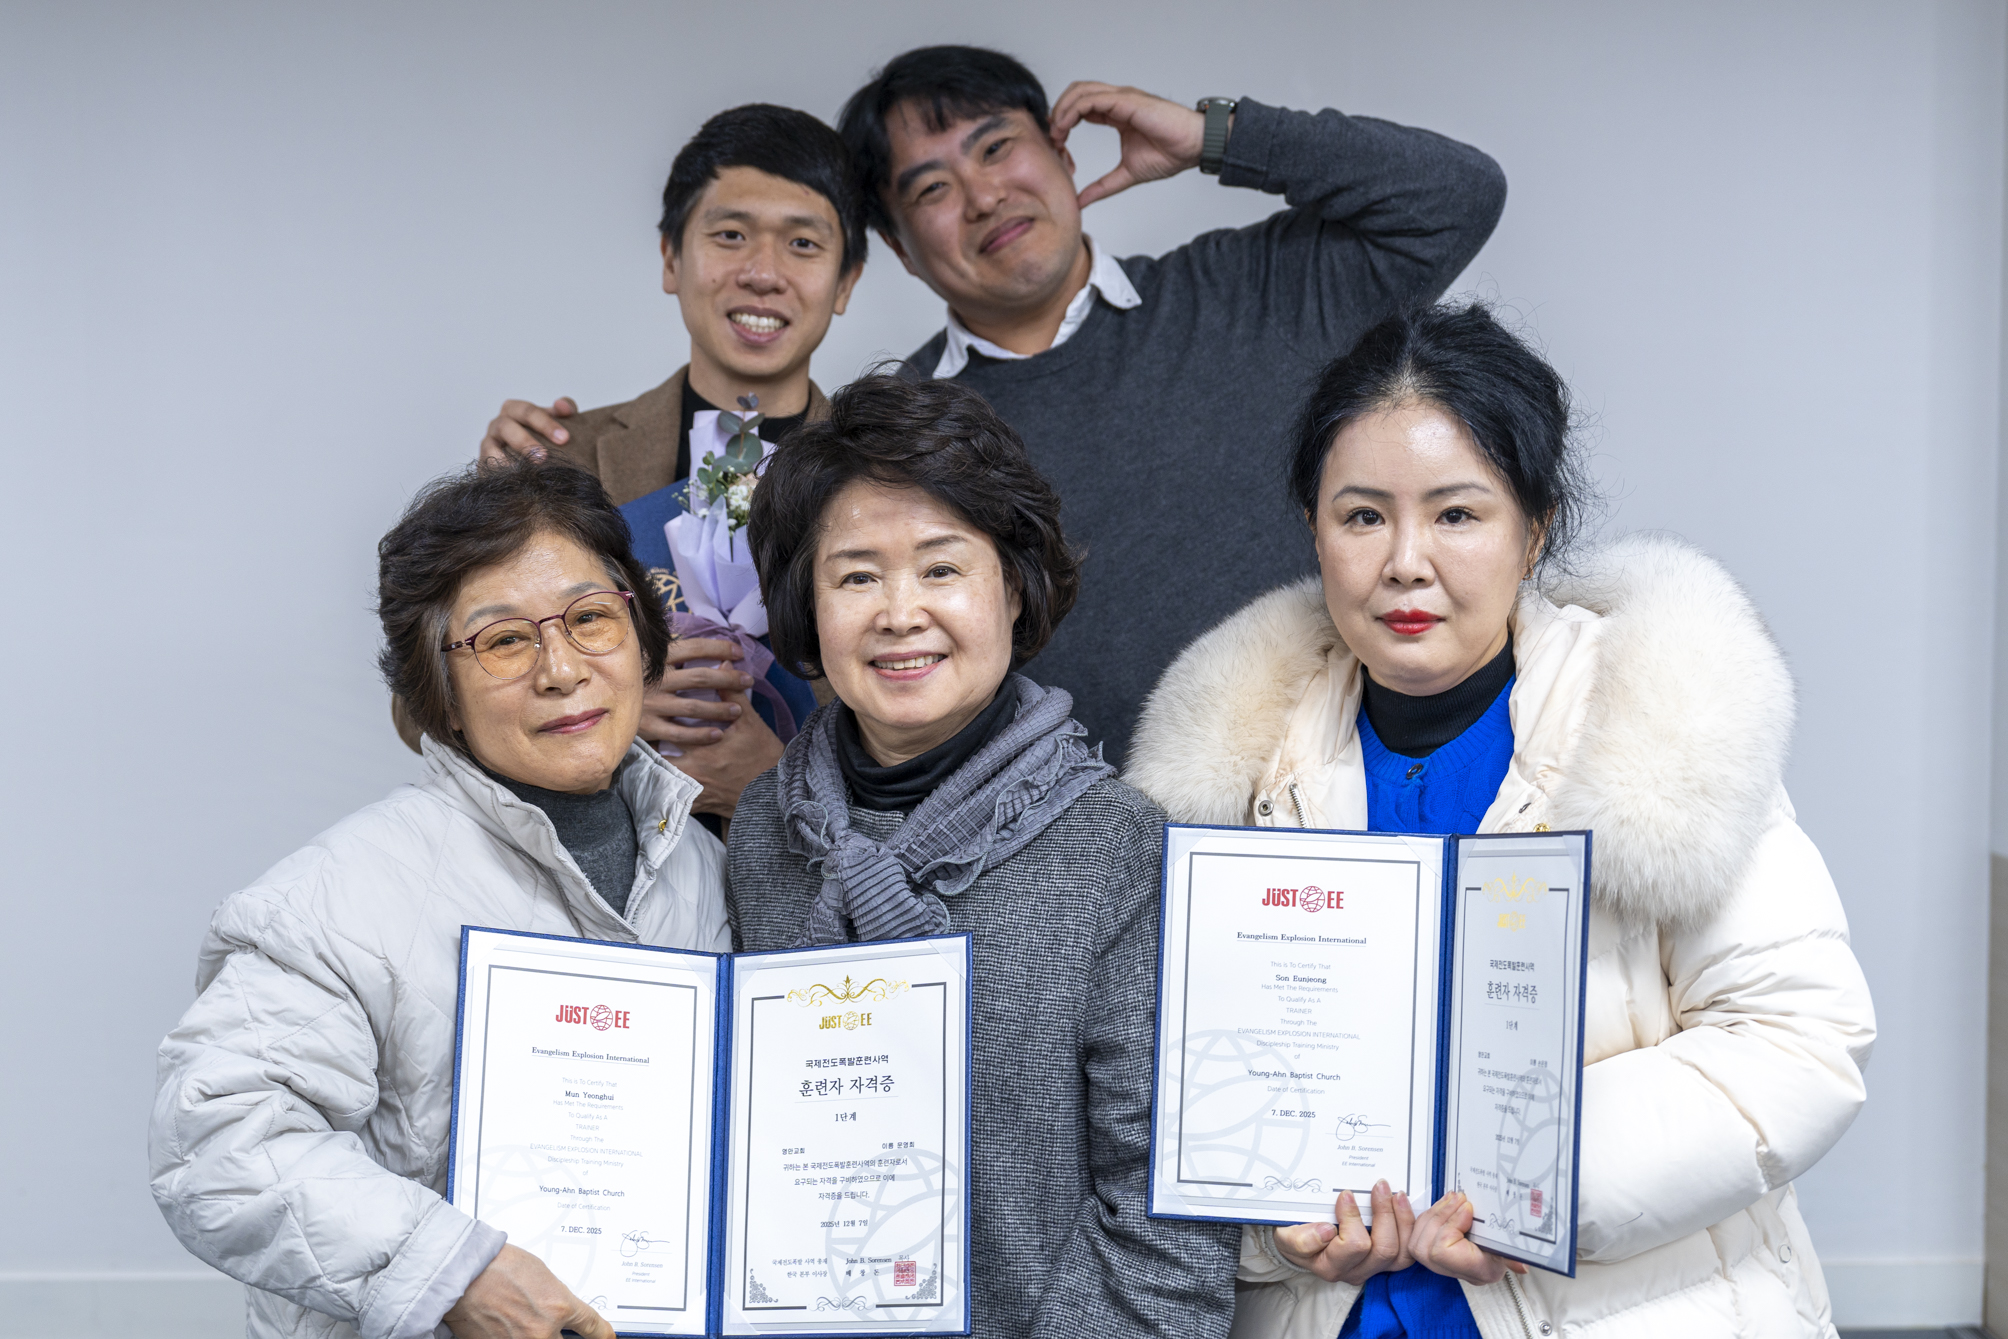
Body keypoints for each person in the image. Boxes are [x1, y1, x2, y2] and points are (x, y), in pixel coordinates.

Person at [1123, 303, 1876, 1337]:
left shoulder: (1659, 729)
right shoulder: (1233, 775)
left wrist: (1533, 1187)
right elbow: (1167, 1096)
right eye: (1362, 517)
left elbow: (1799, 1040)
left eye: (1457, 514)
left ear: (1536, 529)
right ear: (1313, 530)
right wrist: (1270, 1229)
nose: (1405, 561)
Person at [150, 460, 728, 1339]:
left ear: (643, 639)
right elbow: (218, 1146)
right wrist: (451, 1271)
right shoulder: (334, 898)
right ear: (440, 694)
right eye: (504, 641)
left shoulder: (708, 869)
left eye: (589, 619)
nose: (562, 669)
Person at [726, 373, 1240, 1336]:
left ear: (1013, 586)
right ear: (806, 605)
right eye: (856, 576)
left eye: (941, 568)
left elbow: (1170, 1226)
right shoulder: (765, 829)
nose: (899, 611)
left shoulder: (1115, 845)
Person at [834, 45, 1507, 765]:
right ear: (899, 248)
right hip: (1082, 826)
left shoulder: (1251, 288)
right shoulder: (898, 435)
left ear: (1062, 153)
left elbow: (1458, 195)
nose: (984, 196)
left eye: (996, 148)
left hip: (1358, 789)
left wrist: (1216, 136)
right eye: (932, 189)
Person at [458, 103, 869, 821]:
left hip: (819, 873)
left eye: (803, 243)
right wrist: (600, 701)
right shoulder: (559, 459)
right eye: (731, 235)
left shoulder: (887, 477)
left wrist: (776, 790)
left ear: (845, 283)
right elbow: (421, 700)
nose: (763, 273)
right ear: (671, 258)